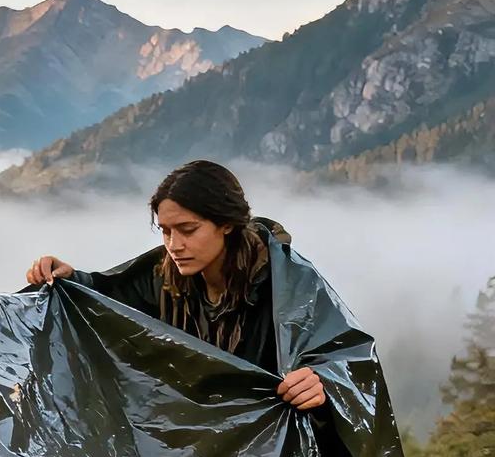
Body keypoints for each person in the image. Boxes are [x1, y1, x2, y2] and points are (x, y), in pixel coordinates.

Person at [24, 159, 325, 411]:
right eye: (166, 231)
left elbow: (340, 356)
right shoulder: (165, 275)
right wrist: (69, 279)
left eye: (188, 230)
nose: (174, 245)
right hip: (192, 448)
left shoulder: (286, 283)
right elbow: (110, 298)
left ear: (226, 223)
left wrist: (321, 382)